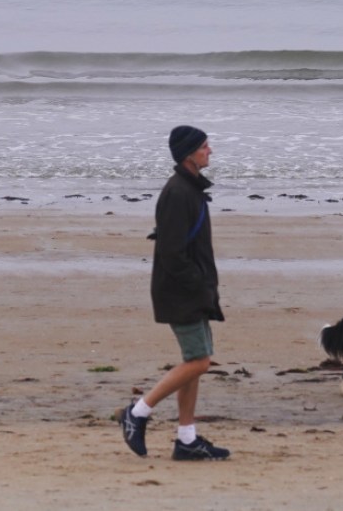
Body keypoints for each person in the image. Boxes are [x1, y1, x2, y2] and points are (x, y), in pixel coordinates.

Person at [119, 125, 231, 461]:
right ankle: (137, 413)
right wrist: (198, 284)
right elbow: (171, 254)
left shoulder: (190, 189)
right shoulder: (178, 193)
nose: (210, 151)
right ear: (188, 153)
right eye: (204, 146)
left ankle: (186, 439)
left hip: (191, 290)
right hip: (181, 292)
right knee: (200, 361)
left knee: (193, 362)